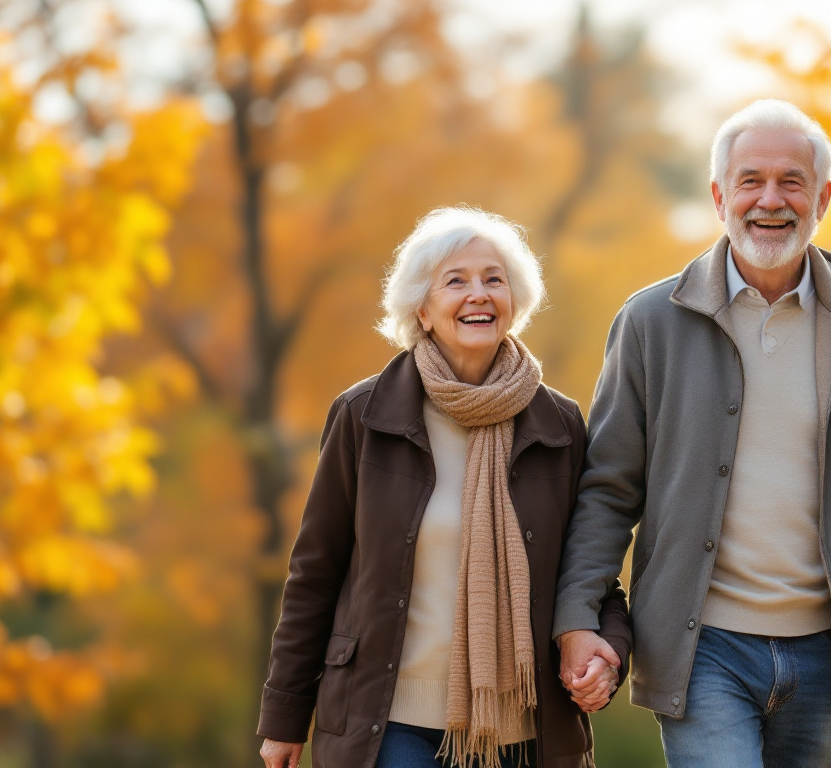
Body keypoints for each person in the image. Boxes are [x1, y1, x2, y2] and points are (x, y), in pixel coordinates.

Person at [553, 99, 831, 768]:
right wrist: (578, 618)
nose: (771, 199)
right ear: (719, 194)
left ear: (823, 197)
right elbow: (607, 489)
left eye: (792, 180)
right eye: (751, 179)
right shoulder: (650, 323)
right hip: (704, 653)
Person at [257, 207, 631, 768]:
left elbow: (592, 571)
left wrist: (611, 653)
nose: (477, 294)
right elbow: (316, 573)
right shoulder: (365, 416)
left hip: (528, 730)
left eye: (493, 279)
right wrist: (284, 718)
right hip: (390, 724)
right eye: (455, 281)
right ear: (422, 310)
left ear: (514, 302)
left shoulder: (560, 424)